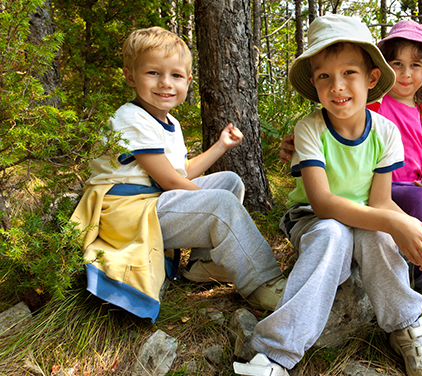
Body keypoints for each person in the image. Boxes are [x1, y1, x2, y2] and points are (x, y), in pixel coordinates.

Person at [233, 14, 422, 376]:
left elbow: (379, 202)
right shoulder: (310, 129)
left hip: (365, 215)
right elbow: (323, 203)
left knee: (379, 234)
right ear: (314, 84)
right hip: (314, 219)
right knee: (335, 232)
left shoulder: (385, 132)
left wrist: (406, 225)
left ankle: (406, 324)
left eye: (349, 73)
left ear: (372, 78)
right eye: (324, 77)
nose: (337, 86)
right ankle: (274, 351)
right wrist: (397, 221)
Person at [280, 20, 422, 326]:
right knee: (421, 200)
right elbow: (340, 127)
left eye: (416, 65)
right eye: (398, 64)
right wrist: (298, 143)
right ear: (380, 72)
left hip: (421, 188)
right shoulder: (375, 105)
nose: (406, 74)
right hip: (392, 189)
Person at [70, 26, 286, 323]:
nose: (165, 83)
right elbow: (171, 181)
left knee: (229, 181)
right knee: (221, 203)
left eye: (175, 75)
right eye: (153, 73)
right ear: (131, 76)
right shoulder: (131, 118)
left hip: (153, 201)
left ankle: (202, 264)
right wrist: (219, 205)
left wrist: (221, 146)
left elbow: (181, 171)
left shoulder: (169, 121)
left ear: (187, 81)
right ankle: (262, 283)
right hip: (131, 214)